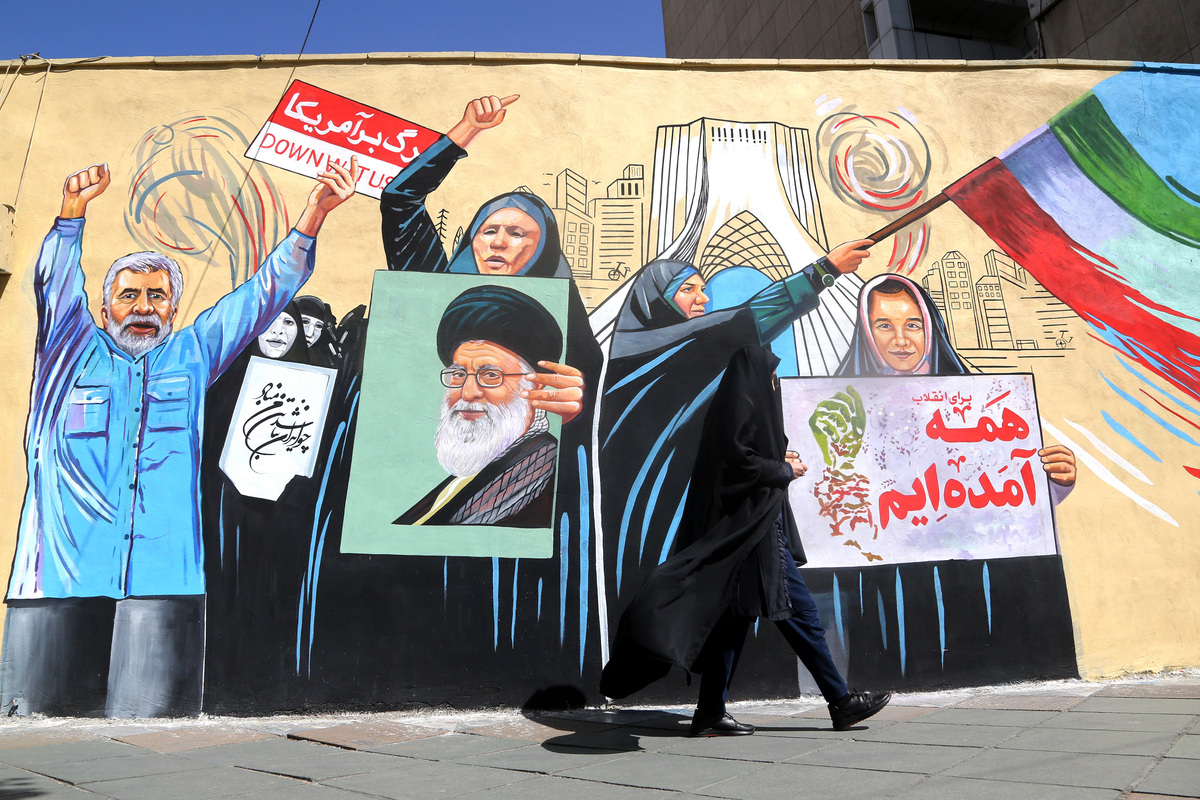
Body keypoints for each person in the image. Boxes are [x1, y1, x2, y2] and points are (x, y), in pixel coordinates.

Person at [2, 157, 358, 718]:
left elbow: (262, 295)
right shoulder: (68, 352)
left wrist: (313, 215)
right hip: (56, 582)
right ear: (102, 307)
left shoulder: (192, 353)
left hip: (164, 582)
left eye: (157, 297)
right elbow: (55, 283)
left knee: (156, 740)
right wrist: (71, 216)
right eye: (129, 296)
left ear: (173, 306)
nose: (143, 308)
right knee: (37, 729)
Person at [376, 94, 602, 689]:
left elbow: (592, 394)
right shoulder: (427, 275)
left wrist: (576, 404)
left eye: (518, 235)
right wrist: (465, 130)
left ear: (542, 249)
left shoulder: (561, 315)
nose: (498, 243)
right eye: (488, 230)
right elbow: (400, 198)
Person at [600, 345, 891, 733]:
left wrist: (778, 458)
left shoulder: (736, 407)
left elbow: (743, 453)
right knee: (800, 613)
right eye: (770, 376)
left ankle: (710, 712)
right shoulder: (739, 407)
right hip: (753, 531)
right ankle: (841, 701)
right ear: (754, 378)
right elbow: (737, 463)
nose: (774, 383)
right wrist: (783, 469)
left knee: (733, 620)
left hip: (756, 527)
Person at [599, 244, 870, 607]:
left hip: (686, 496)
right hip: (648, 504)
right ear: (655, 302)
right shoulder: (656, 344)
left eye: (702, 288)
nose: (703, 300)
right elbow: (747, 319)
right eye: (688, 290)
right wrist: (824, 271)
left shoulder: (670, 350)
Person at [836, 273, 1077, 493]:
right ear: (867, 331)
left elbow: (1005, 488)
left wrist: (1055, 482)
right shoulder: (842, 410)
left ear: (930, 329)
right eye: (884, 326)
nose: (901, 340)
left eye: (912, 325)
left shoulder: (980, 404)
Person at [394, 285, 568, 527]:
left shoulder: (544, 467)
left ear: (534, 386)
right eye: (458, 374)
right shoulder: (475, 470)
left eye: (490, 375)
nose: (468, 392)